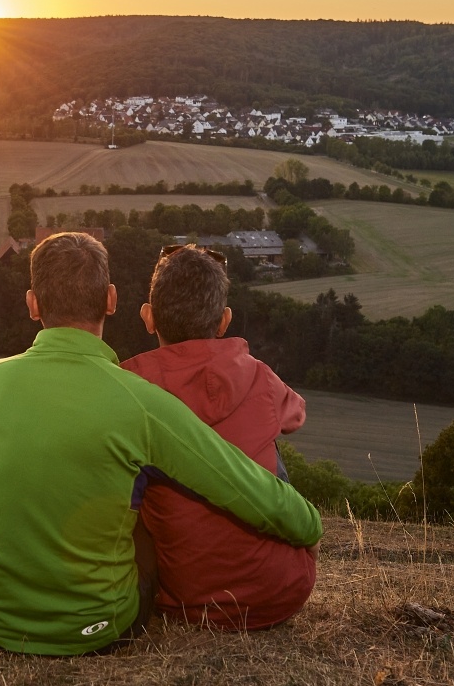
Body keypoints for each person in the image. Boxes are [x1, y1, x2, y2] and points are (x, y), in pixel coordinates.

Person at [0, 232, 322, 655]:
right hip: (99, 627)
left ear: (33, 304)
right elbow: (240, 484)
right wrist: (310, 527)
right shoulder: (140, 400)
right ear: (111, 300)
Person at [120, 244, 317, 630]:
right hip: (282, 592)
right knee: (268, 438)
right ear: (224, 321)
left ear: (148, 317)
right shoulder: (259, 375)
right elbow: (296, 415)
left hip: (184, 600)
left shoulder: (128, 389)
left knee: (129, 469)